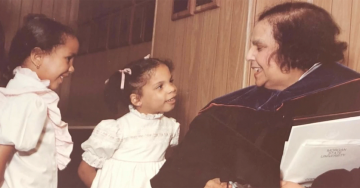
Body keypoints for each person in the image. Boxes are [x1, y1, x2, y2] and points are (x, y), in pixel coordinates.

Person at [150, 2, 360, 188]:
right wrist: (204, 182)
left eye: (259, 47)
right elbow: (173, 175)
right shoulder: (224, 113)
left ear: (294, 51)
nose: (248, 55)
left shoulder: (351, 94)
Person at [0, 14, 79, 188]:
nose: (72, 68)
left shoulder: (18, 95)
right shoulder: (30, 102)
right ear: (37, 56)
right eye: (68, 58)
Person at [77, 57, 180, 188]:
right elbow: (84, 170)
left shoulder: (170, 126)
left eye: (171, 81)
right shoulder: (117, 129)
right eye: (160, 86)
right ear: (137, 99)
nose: (172, 88)